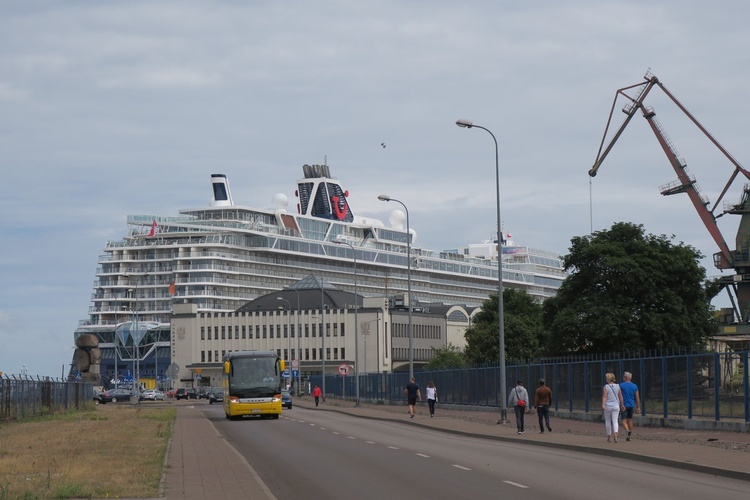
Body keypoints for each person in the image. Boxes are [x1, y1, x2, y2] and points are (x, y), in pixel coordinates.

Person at [602, 372, 624, 443]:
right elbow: (620, 396)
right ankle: (615, 435)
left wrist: (603, 404)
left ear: (608, 379)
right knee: (615, 421)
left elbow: (605, 396)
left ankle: (609, 436)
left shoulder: (606, 387)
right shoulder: (618, 386)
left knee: (608, 421)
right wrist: (622, 404)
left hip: (608, 406)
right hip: (616, 406)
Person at [620, 371, 641, 441]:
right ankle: (629, 435)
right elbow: (637, 397)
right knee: (630, 419)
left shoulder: (621, 385)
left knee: (623, 421)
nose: (623, 378)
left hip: (624, 405)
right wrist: (638, 407)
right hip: (631, 405)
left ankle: (627, 430)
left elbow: (619, 395)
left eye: (623, 376)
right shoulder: (634, 386)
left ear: (626, 378)